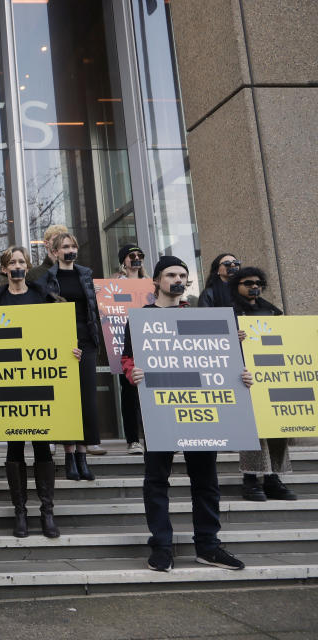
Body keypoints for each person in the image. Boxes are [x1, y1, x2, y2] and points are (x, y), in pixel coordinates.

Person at [121, 255, 249, 572]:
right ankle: (162, 547)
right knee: (156, 480)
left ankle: (208, 545)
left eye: (182, 275)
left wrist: (241, 374)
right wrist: (131, 373)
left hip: (199, 409)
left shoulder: (202, 317)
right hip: (160, 411)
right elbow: (126, 360)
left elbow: (222, 363)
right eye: (170, 275)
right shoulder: (140, 318)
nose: (177, 280)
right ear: (156, 281)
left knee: (206, 480)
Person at [0, 246, 82, 539]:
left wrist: (72, 352)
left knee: (43, 446)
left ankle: (47, 511)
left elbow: (58, 338)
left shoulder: (45, 299)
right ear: (4, 269)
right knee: (15, 447)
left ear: (28, 265)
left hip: (40, 384)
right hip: (9, 385)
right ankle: (20, 511)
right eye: (12, 263)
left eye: (22, 261)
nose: (17, 267)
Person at [34, 233, 105, 473]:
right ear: (55, 252)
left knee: (86, 398)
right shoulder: (46, 279)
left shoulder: (86, 274)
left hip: (86, 340)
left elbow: (93, 307)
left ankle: (83, 456)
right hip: (61, 343)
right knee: (66, 399)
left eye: (73, 246)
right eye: (65, 247)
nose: (70, 250)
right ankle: (69, 455)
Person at [230, 267, 297, 502]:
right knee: (252, 432)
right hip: (242, 379)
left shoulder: (271, 310)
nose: (254, 286)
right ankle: (250, 479)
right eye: (247, 283)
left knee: (276, 428)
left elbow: (286, 339)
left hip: (271, 377)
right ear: (236, 285)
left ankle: (273, 478)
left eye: (258, 282)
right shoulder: (229, 312)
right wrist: (229, 336)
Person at [111, 244, 147, 454]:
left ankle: (160, 435)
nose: (136, 258)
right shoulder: (115, 283)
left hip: (150, 338)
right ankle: (133, 439)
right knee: (129, 392)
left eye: (139, 255)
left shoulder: (152, 283)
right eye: (131, 255)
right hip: (125, 341)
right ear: (123, 260)